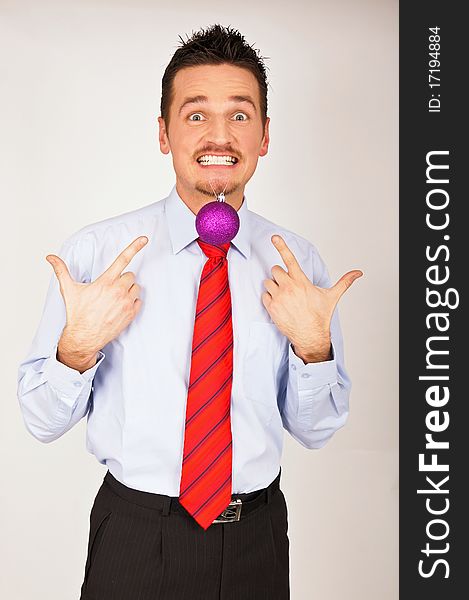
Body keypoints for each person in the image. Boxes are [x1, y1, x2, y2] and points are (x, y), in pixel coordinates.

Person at [17, 23, 362, 600]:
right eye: (196, 114)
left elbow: (317, 429)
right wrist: (76, 351)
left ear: (265, 136)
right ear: (164, 132)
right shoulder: (99, 256)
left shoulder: (297, 265)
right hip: (134, 536)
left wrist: (313, 348)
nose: (218, 135)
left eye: (240, 115)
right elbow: (41, 421)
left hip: (257, 538)